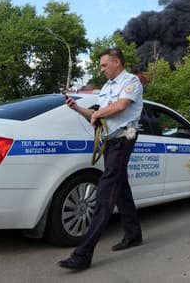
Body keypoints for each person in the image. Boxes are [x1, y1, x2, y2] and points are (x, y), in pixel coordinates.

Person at [58, 48, 144, 271]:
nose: (102, 69)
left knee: (106, 193)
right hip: (109, 141)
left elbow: (121, 106)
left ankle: (83, 254)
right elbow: (96, 115)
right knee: (120, 187)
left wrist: (97, 114)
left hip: (123, 140)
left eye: (104, 65)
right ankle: (133, 234)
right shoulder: (106, 87)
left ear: (117, 62)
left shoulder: (131, 81)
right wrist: (78, 108)